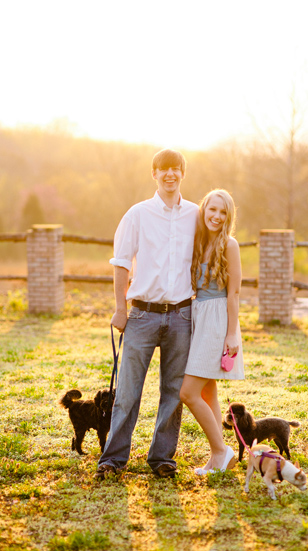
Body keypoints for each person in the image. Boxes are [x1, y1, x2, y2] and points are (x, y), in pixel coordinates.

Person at [97, 149, 197, 480]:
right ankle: (113, 459)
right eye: (163, 169)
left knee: (174, 392)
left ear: (183, 173)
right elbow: (122, 262)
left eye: (176, 169)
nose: (170, 174)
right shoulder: (137, 215)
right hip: (141, 315)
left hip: (182, 315)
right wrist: (120, 308)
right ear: (154, 174)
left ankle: (162, 458)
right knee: (127, 392)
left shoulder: (195, 215)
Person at [179, 189, 244, 475]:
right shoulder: (198, 241)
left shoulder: (229, 245)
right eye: (212, 210)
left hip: (217, 320)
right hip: (199, 316)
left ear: (228, 218)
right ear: (203, 209)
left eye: (223, 213)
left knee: (188, 393)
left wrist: (232, 334)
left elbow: (235, 293)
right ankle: (217, 459)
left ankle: (222, 451)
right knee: (208, 392)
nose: (216, 217)